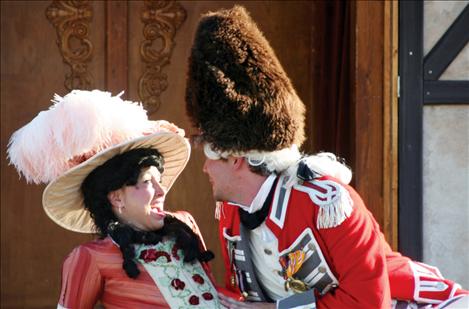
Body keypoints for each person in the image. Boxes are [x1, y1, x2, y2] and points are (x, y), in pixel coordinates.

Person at [184, 6, 469, 309]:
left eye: (209, 156)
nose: (204, 168)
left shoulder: (326, 202)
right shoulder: (230, 212)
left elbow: (370, 302)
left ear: (235, 157)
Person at [8, 90, 223, 308]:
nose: (162, 191)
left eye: (160, 180)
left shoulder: (184, 227)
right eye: (149, 181)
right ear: (116, 197)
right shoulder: (91, 257)